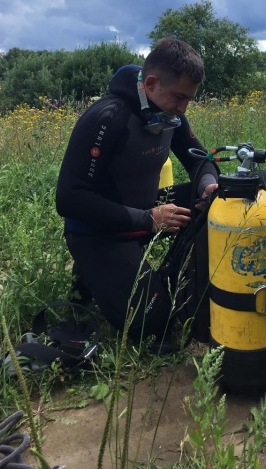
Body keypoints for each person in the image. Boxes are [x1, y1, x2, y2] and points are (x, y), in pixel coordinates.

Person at [56, 38, 218, 350]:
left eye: (189, 100)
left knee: (219, 201)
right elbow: (69, 198)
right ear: (153, 83)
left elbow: (200, 161)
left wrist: (207, 185)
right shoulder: (107, 116)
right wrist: (148, 219)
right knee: (156, 324)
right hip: (99, 231)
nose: (183, 108)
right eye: (179, 97)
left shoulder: (169, 112)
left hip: (145, 212)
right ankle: (94, 275)